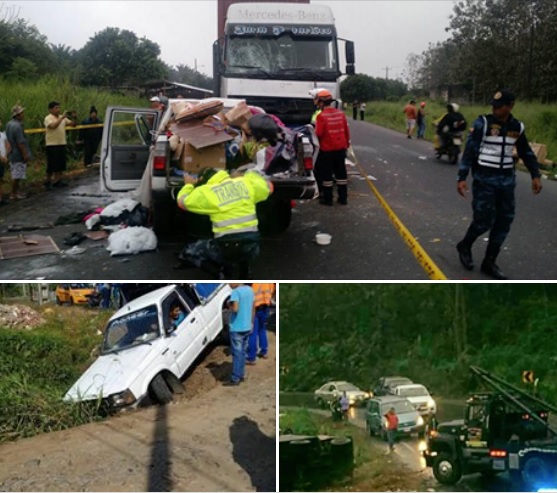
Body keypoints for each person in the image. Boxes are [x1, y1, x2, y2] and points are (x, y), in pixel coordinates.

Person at [456, 89, 542, 280]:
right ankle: (465, 245)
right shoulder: (483, 123)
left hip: (506, 181)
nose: (494, 109)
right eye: (493, 106)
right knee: (483, 220)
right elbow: (470, 151)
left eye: (499, 106)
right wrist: (461, 178)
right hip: (485, 179)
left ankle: (489, 262)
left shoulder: (517, 127)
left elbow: (526, 152)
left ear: (510, 106)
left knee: (504, 221)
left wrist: (535, 175)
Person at [176, 168, 273, 278]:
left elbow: (182, 202)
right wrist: (248, 174)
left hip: (225, 247)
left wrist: (189, 185)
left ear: (203, 180)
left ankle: (220, 276)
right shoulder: (245, 183)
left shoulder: (206, 192)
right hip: (252, 247)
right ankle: (245, 275)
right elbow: (269, 187)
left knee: (190, 252)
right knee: (243, 249)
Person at [314, 89, 350, 206]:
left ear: (321, 103)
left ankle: (328, 199)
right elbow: (346, 131)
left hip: (327, 150)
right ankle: (343, 198)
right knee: (341, 174)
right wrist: (346, 145)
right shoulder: (341, 114)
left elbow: (318, 134)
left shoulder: (321, 116)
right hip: (341, 149)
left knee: (327, 175)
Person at [224, 283, 255, 386]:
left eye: (230, 282)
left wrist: (229, 305)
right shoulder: (250, 290)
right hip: (247, 326)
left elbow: (235, 309)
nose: (229, 284)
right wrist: (251, 322)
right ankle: (241, 375)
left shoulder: (235, 292)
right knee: (242, 352)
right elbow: (253, 307)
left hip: (237, 327)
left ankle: (235, 378)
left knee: (237, 354)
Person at [44, 101, 76, 189]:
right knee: (51, 164)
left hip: (61, 143)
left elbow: (73, 125)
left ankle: (58, 180)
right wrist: (61, 118)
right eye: (56, 108)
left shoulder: (62, 118)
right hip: (52, 144)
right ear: (50, 109)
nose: (58, 110)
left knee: (60, 163)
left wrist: (74, 117)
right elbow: (53, 126)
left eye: (59, 108)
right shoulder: (48, 118)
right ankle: (47, 181)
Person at [5, 105, 31, 201]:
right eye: (22, 113)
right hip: (18, 153)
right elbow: (21, 143)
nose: (23, 115)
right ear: (18, 115)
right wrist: (25, 154)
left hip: (12, 152)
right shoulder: (18, 126)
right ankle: (13, 193)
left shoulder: (9, 124)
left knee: (16, 173)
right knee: (17, 175)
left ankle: (16, 192)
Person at [246, 283, 275, 364]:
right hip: (265, 307)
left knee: (252, 333)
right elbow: (272, 291)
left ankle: (251, 357)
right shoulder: (269, 283)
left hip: (255, 309)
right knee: (262, 329)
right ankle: (264, 351)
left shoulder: (253, 284)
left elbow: (251, 298)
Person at [0, 117, 11, 205]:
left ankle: (1, 197)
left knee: (1, 179)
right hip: (1, 159)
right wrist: (2, 157)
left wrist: (6, 155)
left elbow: (7, 145)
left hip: (3, 160)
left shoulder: (2, 134)